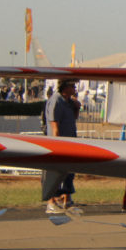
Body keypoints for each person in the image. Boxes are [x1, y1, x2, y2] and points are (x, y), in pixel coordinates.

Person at [43, 78, 80, 213]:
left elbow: (73, 119)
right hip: (59, 144)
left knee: (68, 173)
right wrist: (57, 146)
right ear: (65, 87)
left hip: (70, 143)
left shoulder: (69, 102)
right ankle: (51, 202)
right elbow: (54, 126)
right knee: (55, 174)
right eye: (72, 86)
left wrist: (77, 108)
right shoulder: (56, 101)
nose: (74, 89)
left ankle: (66, 200)